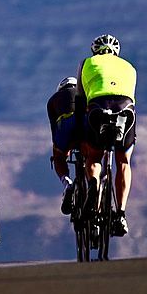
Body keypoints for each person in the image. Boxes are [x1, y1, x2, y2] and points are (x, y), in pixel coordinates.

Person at [79, 33, 137, 237]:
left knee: (94, 157)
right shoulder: (129, 67)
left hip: (97, 107)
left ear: (95, 51)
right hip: (125, 109)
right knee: (123, 161)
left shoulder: (87, 63)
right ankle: (120, 214)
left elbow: (80, 99)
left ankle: (93, 183)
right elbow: (131, 95)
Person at [47, 76, 85, 214]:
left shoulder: (53, 99)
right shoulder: (84, 93)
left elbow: (54, 129)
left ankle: (67, 182)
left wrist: (61, 152)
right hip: (84, 125)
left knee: (58, 154)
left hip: (65, 126)